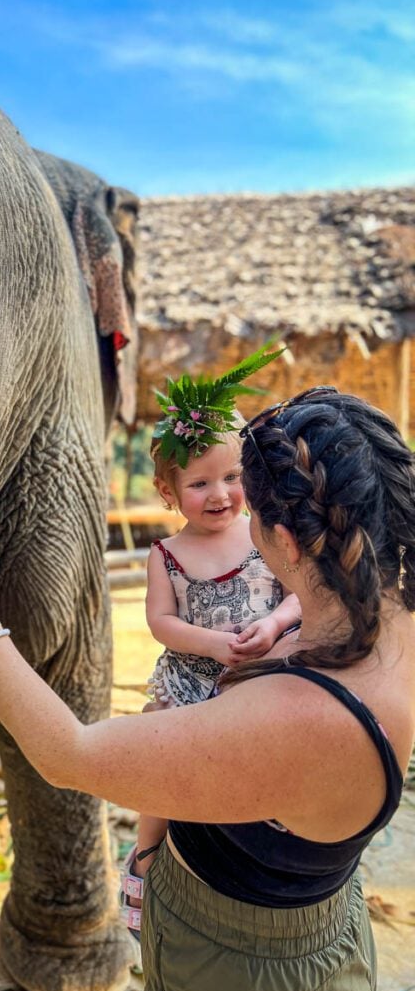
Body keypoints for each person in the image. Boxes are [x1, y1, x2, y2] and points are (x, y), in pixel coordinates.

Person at [0, 384, 415, 991]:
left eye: (248, 499)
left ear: (283, 543)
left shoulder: (301, 716)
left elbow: (68, 755)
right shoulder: (395, 622)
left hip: (239, 983)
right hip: (324, 941)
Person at [123, 354, 302, 948]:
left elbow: (301, 596)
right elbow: (161, 622)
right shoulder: (166, 554)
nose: (220, 494)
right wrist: (215, 644)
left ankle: (267, 845)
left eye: (231, 477)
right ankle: (146, 857)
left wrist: (274, 624)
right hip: (189, 681)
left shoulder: (267, 534)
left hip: (263, 674)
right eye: (199, 484)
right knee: (162, 761)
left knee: (263, 759)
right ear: (168, 491)